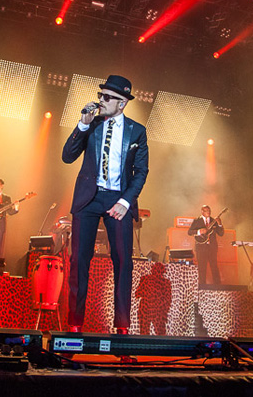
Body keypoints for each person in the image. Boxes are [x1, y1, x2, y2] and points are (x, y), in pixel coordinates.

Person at [62, 74, 149, 334]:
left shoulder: (137, 131)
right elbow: (67, 156)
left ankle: (122, 328)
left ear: (122, 103)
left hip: (118, 199)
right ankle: (74, 326)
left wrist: (125, 201)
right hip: (88, 197)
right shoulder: (93, 124)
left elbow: (141, 172)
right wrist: (83, 125)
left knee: (123, 261)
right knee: (79, 260)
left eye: (108, 97)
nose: (101, 100)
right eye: (101, 95)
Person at [187, 205, 225, 286]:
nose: (208, 212)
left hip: (212, 248)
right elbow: (189, 232)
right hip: (201, 248)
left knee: (214, 267)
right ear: (202, 212)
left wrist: (220, 224)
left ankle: (218, 287)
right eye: (206, 211)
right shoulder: (197, 221)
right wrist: (199, 231)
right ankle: (202, 287)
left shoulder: (213, 220)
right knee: (202, 268)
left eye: (209, 211)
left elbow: (221, 233)